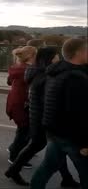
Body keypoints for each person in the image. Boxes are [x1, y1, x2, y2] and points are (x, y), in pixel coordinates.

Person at [5, 47, 79, 187]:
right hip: (42, 118)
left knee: (52, 148)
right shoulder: (45, 75)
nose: (59, 59)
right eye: (56, 56)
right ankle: (14, 170)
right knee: (41, 146)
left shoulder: (39, 73)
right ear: (50, 59)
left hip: (38, 116)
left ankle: (66, 178)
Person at [31, 38, 88, 189]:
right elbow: (78, 114)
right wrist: (84, 143)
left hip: (55, 132)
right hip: (72, 137)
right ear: (79, 53)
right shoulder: (75, 78)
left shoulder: (55, 72)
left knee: (47, 168)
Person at [6, 46, 37, 167]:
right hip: (21, 104)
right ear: (31, 57)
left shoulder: (18, 68)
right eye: (36, 55)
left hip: (15, 102)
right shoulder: (28, 70)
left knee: (22, 130)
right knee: (25, 132)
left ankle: (14, 149)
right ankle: (14, 157)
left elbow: (9, 81)